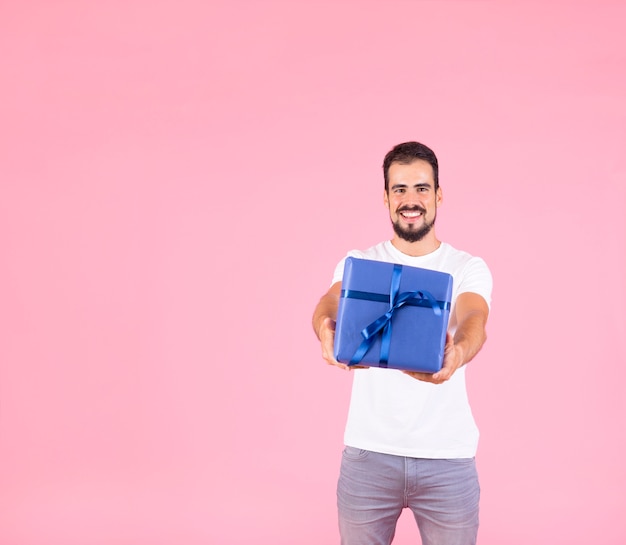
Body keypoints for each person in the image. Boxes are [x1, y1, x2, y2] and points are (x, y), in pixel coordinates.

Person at [312, 141, 493, 545]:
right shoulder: (360, 262)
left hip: (448, 459)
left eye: (422, 188)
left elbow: (474, 319)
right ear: (386, 198)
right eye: (400, 189)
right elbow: (328, 302)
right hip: (367, 457)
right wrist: (325, 328)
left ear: (439, 195)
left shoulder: (466, 267)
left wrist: (458, 352)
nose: (411, 200)